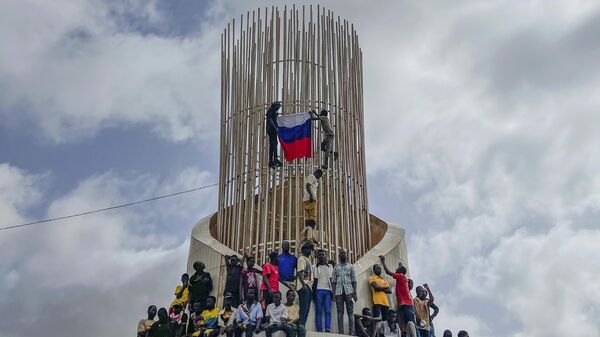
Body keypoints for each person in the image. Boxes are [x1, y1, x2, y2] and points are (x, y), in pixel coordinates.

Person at [379, 256, 415, 332]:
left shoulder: (401, 276)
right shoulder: (402, 277)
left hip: (406, 304)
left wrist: (383, 261)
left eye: (397, 269)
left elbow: (387, 272)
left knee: (410, 322)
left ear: (400, 272)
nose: (395, 270)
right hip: (404, 304)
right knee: (402, 322)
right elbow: (400, 270)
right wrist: (400, 265)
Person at [332, 249, 357, 335]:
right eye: (341, 254)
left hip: (349, 291)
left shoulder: (351, 266)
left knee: (350, 312)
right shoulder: (336, 267)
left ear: (346, 255)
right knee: (340, 312)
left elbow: (354, 280)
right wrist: (333, 293)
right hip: (338, 292)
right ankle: (341, 333)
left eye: (344, 254)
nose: (342, 255)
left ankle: (352, 332)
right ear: (339, 256)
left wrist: (355, 292)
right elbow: (334, 281)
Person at [313, 249, 333, 332]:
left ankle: (327, 328)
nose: (321, 256)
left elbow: (332, 280)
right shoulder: (315, 267)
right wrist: (314, 294)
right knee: (319, 311)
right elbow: (315, 281)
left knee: (328, 311)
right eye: (319, 255)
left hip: (328, 291)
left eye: (323, 255)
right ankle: (319, 329)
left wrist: (333, 292)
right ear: (317, 257)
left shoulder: (330, 267)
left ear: (325, 256)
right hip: (319, 291)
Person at [296, 244, 314, 328]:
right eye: (308, 249)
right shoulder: (301, 259)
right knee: (303, 308)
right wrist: (303, 285)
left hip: (308, 286)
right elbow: (299, 272)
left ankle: (302, 326)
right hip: (305, 286)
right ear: (303, 250)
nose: (310, 251)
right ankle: (301, 326)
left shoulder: (308, 260)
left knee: (306, 309)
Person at [302, 169, 323, 239]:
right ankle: (310, 235)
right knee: (313, 217)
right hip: (310, 199)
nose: (318, 177)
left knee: (309, 217)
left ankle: (308, 234)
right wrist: (311, 196)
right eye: (319, 176)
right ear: (316, 173)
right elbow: (308, 185)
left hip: (308, 199)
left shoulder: (313, 178)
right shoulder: (312, 177)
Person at [266, 101, 283, 168]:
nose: (278, 108)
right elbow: (270, 119)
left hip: (272, 129)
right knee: (274, 143)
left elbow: (272, 118)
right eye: (278, 106)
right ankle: (275, 158)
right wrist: (275, 127)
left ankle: (271, 160)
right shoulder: (271, 110)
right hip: (271, 130)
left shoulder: (273, 111)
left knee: (272, 145)